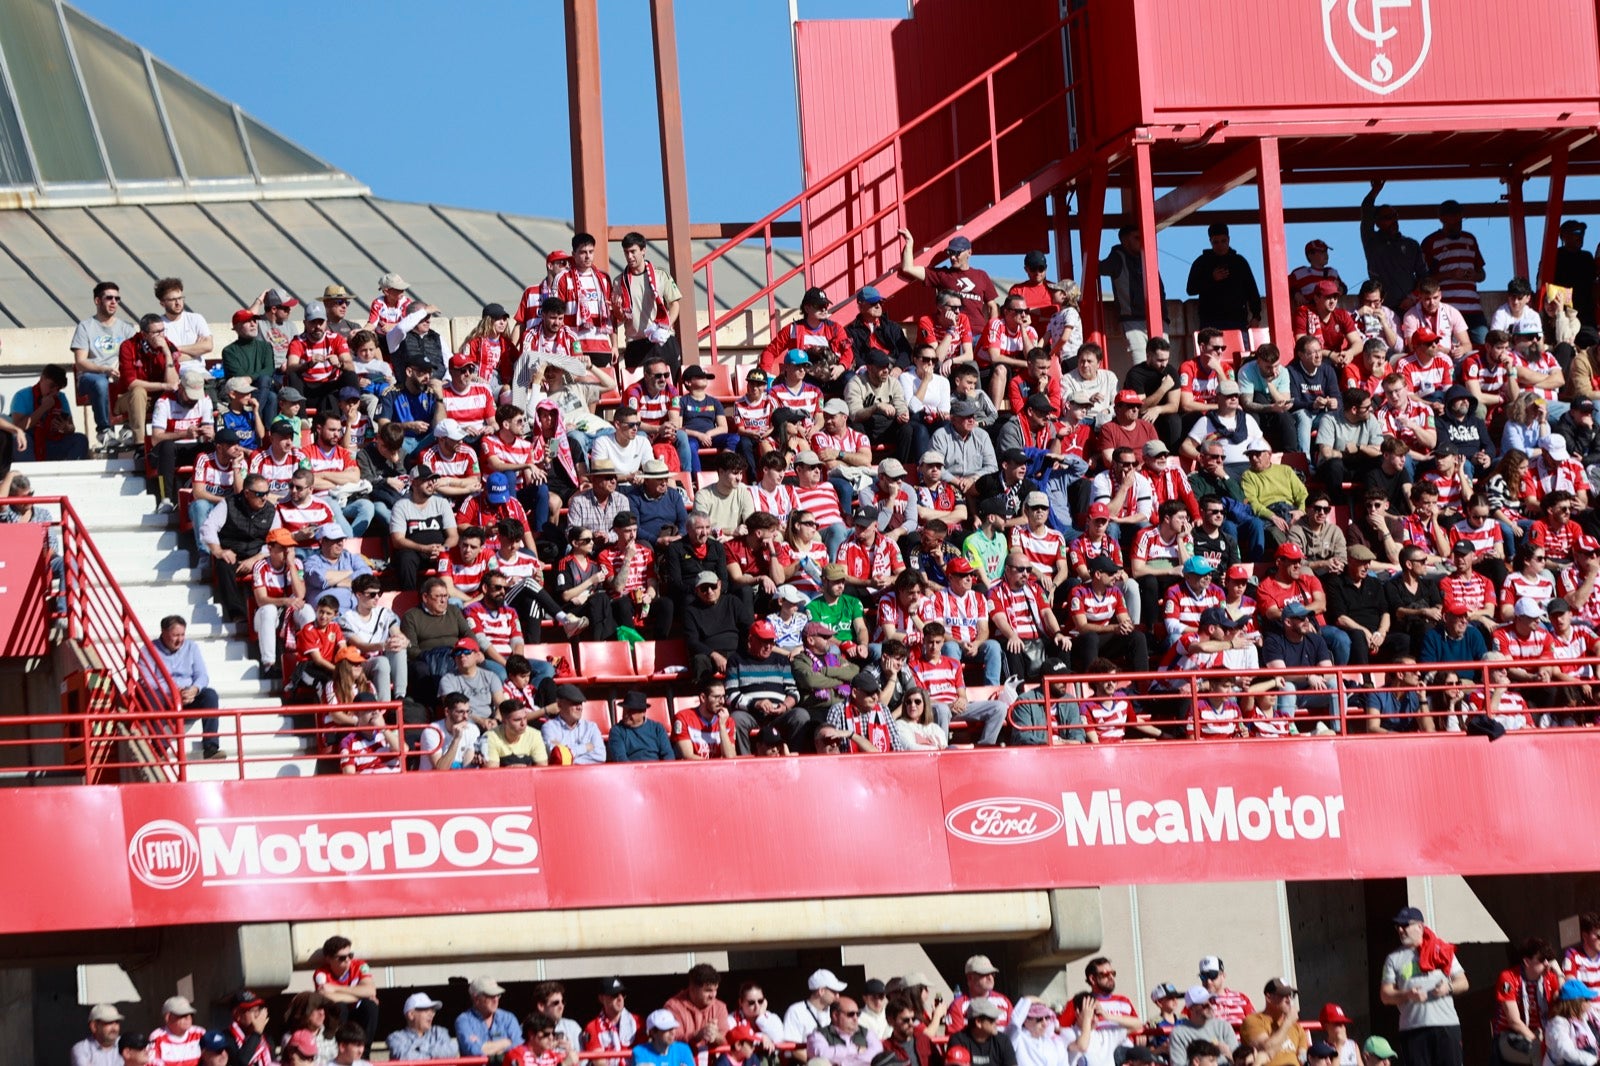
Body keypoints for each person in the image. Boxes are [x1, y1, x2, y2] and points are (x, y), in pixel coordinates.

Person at [1380, 906, 1469, 1066]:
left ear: (1420, 926)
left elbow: (1463, 982)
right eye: (1398, 926)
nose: (1400, 929)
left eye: (1405, 925)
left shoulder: (1441, 949)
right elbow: (1385, 995)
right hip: (1413, 1030)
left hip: (1446, 1026)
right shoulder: (1393, 959)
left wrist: (1447, 988)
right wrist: (1408, 994)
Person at [899, 230, 1000, 341]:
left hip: (978, 334)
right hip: (953, 334)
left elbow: (992, 306)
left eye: (957, 253)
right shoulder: (942, 275)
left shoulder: (981, 275)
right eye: (950, 253)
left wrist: (992, 332)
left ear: (969, 252)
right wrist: (910, 242)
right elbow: (908, 268)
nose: (952, 257)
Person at [146, 615, 222, 760]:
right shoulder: (149, 649)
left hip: (187, 696)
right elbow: (147, 681)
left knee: (210, 695)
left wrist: (194, 689)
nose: (180, 639)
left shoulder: (191, 647)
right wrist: (174, 690)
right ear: (163, 632)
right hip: (165, 696)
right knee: (154, 696)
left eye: (182, 635)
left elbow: (202, 675)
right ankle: (159, 748)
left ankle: (211, 747)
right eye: (175, 635)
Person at [1099, 224, 1165, 365]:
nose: (1141, 240)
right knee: (1141, 362)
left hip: (1158, 318)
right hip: (1132, 319)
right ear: (1124, 240)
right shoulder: (1117, 259)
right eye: (1136, 238)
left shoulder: (1147, 257)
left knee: (1162, 363)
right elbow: (1097, 268)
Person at [1188, 224, 1261, 330]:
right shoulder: (1202, 262)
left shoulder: (1240, 262)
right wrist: (1212, 279)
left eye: (1223, 241)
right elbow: (1191, 289)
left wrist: (1256, 316)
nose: (1220, 245)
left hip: (1237, 321)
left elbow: (1252, 291)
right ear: (1210, 242)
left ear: (1229, 239)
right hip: (1211, 323)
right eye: (1216, 242)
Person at [1239, 980, 1308, 1066]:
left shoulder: (1296, 1027)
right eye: (1283, 995)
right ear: (1269, 997)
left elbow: (1303, 1058)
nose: (1289, 1000)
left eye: (1290, 995)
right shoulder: (1254, 1021)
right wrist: (1288, 1022)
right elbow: (1267, 1050)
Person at [1166, 988, 1239, 1066]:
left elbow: (1239, 1060)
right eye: (1204, 1004)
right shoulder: (1179, 1034)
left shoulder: (1223, 1026)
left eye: (1210, 1001)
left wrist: (1228, 1053)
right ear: (1191, 1008)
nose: (1210, 1006)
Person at [807, 997, 883, 1066]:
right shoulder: (818, 1035)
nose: (855, 1018)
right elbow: (821, 1055)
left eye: (858, 1014)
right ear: (835, 1015)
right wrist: (855, 1049)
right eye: (851, 1014)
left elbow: (878, 1055)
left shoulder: (867, 1033)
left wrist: (843, 1063)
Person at [1540, 980, 1599, 1066]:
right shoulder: (1557, 1023)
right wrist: (1593, 1061)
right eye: (1587, 999)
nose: (1591, 1002)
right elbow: (1566, 1051)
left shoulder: (1589, 1016)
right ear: (1576, 1003)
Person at [387, 992, 459, 1060]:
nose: (431, 1015)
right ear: (411, 1015)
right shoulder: (395, 1038)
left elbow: (452, 1049)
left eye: (432, 1011)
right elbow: (405, 1057)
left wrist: (418, 1049)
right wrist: (435, 1055)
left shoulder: (439, 1032)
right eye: (426, 1011)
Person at [947, 999, 1016, 1066]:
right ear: (978, 1022)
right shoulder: (959, 1040)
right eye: (992, 1019)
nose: (997, 1022)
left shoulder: (1003, 1041)